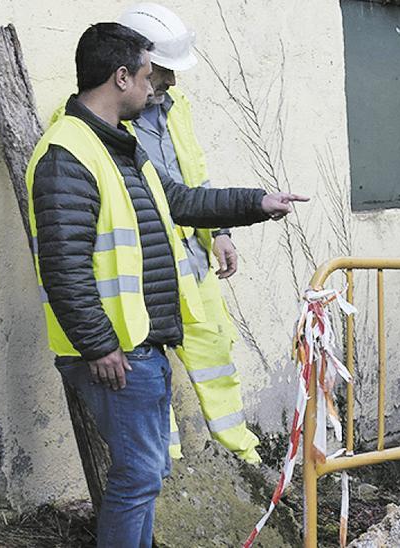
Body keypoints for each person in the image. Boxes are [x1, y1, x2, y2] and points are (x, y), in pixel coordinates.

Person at [25, 22, 307, 547]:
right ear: (121, 76)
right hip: (116, 353)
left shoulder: (119, 145)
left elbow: (180, 201)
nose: (155, 86)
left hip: (139, 347)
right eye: (149, 75)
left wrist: (257, 202)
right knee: (136, 480)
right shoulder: (68, 154)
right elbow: (63, 267)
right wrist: (99, 344)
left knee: (144, 478)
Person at [115, 3, 261, 464]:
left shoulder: (175, 109)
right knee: (152, 381)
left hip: (194, 266)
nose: (171, 82)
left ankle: (248, 467)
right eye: (162, 71)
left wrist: (217, 231)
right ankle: (172, 489)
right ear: (130, 67)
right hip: (146, 274)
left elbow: (192, 177)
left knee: (217, 363)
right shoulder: (96, 120)